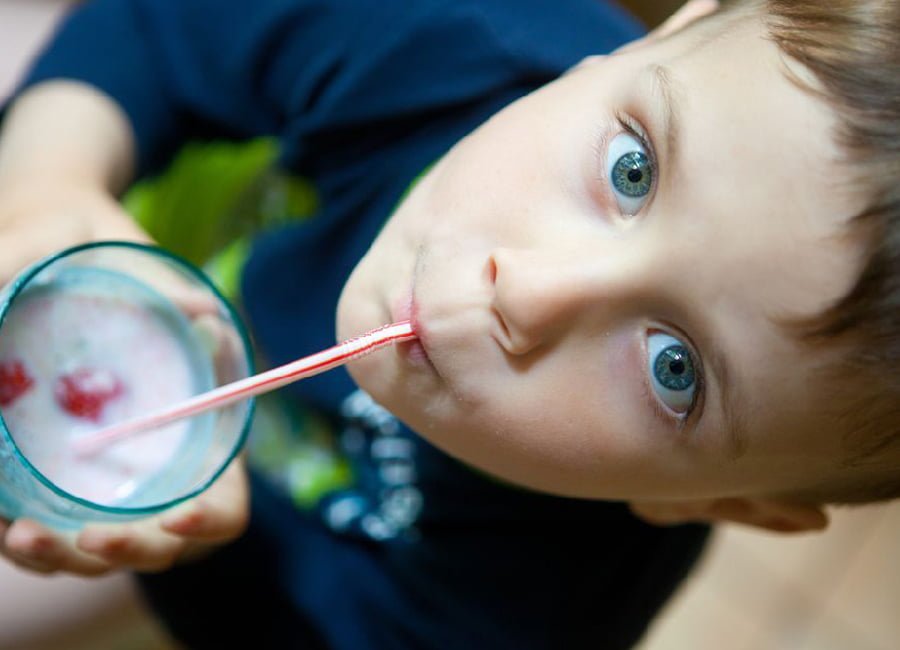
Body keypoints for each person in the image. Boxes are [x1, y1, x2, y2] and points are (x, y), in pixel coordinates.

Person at [0, 0, 897, 647]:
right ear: (647, 44)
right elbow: (158, 28)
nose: (533, 295)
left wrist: (190, 546)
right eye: (633, 170)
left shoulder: (529, 611)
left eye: (676, 370)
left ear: (714, 501)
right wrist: (45, 181)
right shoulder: (458, 37)